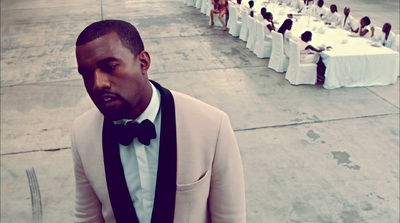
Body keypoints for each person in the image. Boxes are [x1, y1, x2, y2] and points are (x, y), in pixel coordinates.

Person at [72, 20, 246, 223]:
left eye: (110, 67)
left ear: (143, 63)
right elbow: (87, 217)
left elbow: (230, 218)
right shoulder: (82, 133)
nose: (98, 84)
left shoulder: (212, 125)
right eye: (86, 74)